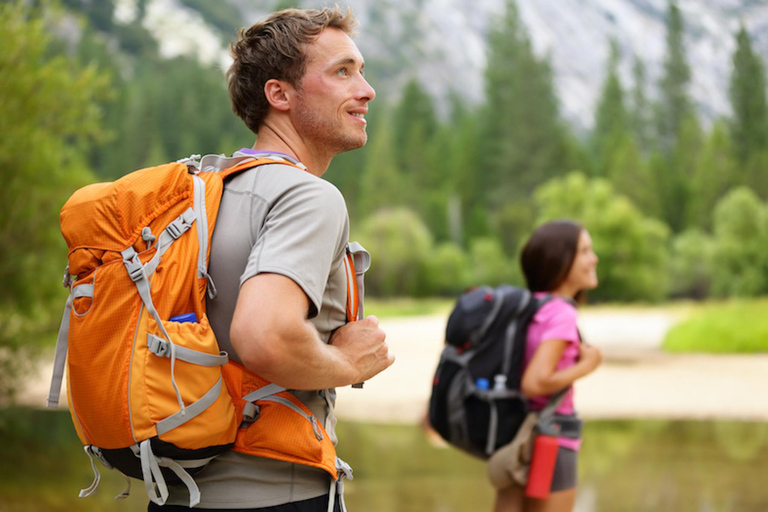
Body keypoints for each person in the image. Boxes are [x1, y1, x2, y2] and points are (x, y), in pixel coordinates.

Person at [152, 6, 394, 512]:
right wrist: (348, 361)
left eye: (362, 71)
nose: (366, 90)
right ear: (279, 95)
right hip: (273, 496)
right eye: (342, 72)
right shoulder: (308, 197)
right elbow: (263, 337)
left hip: (174, 494)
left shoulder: (199, 198)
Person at [493, 220, 603, 512]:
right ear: (561, 259)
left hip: (517, 438)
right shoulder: (562, 313)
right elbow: (535, 382)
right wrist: (588, 365)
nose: (594, 259)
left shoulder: (532, 306)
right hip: (551, 441)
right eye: (585, 251)